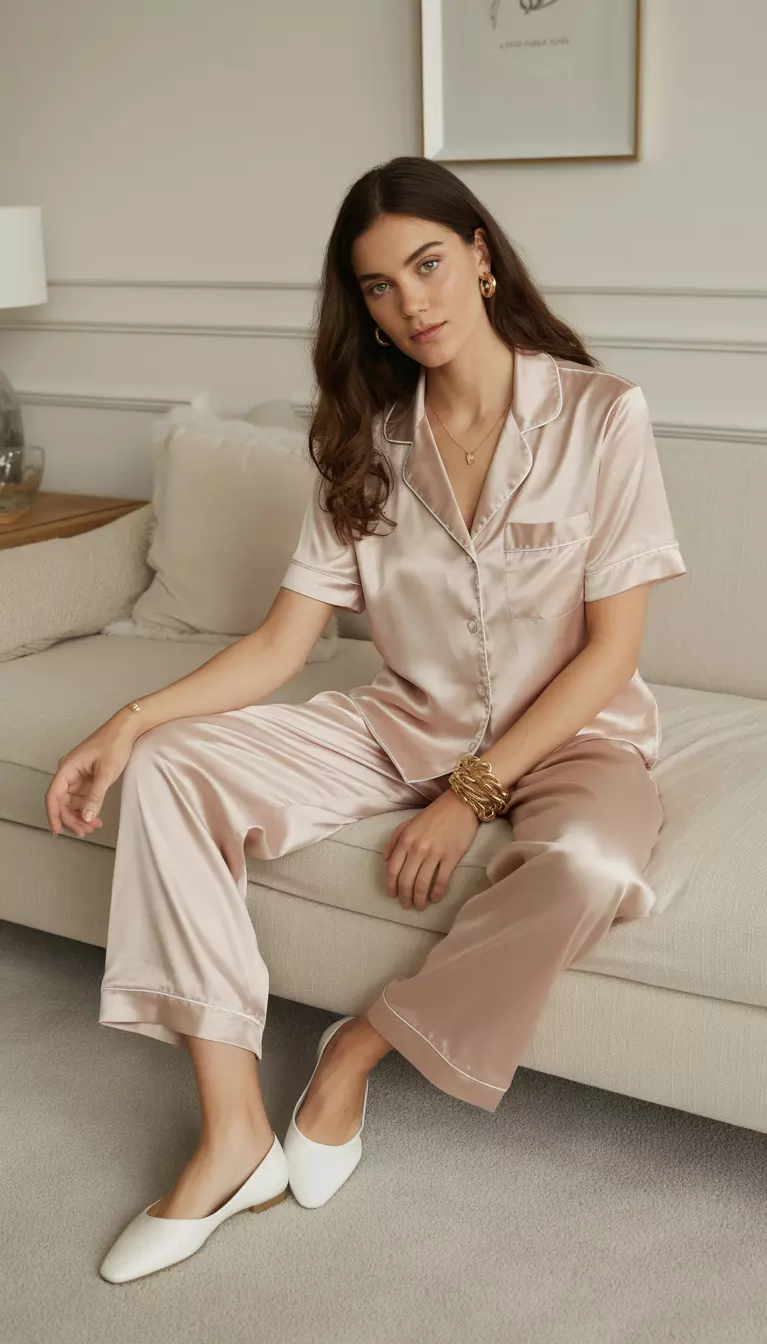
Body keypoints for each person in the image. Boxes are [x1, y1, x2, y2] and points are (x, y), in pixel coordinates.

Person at [45, 155, 687, 1283]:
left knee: (587, 864)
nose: (412, 303)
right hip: (403, 723)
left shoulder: (600, 415)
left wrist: (473, 794)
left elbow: (610, 654)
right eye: (380, 286)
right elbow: (281, 647)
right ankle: (234, 1138)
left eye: (427, 264)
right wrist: (130, 721)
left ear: (481, 257)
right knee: (175, 766)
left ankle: (355, 1051)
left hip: (573, 738)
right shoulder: (366, 442)